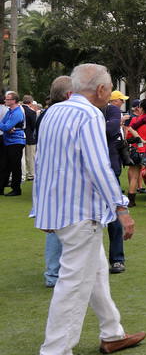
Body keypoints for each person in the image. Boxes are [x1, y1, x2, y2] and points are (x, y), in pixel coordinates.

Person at [32, 63, 145, 355]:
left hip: (64, 210)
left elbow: (43, 162)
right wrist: (121, 209)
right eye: (109, 90)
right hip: (82, 212)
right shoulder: (90, 114)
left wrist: (42, 210)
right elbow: (98, 167)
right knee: (74, 282)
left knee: (95, 273)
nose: (110, 97)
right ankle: (54, 353)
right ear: (100, 90)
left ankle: (112, 333)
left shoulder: (53, 111)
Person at [36, 76, 73, 288]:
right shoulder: (60, 115)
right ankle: (54, 273)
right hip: (60, 178)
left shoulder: (46, 115)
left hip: (51, 178)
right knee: (59, 230)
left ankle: (54, 273)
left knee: (56, 229)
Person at [103, 90, 130, 273]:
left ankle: (117, 259)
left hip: (109, 169)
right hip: (89, 171)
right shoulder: (90, 111)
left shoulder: (111, 110)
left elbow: (111, 129)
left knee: (115, 216)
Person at [0, 91, 27, 196]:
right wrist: (7, 127)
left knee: (15, 165)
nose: (5, 100)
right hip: (9, 141)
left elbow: (6, 126)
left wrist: (7, 127)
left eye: (7, 99)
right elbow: (5, 124)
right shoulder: (10, 112)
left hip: (16, 141)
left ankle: (16, 188)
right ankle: (2, 187)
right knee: (6, 165)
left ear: (13, 101)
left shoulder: (17, 112)